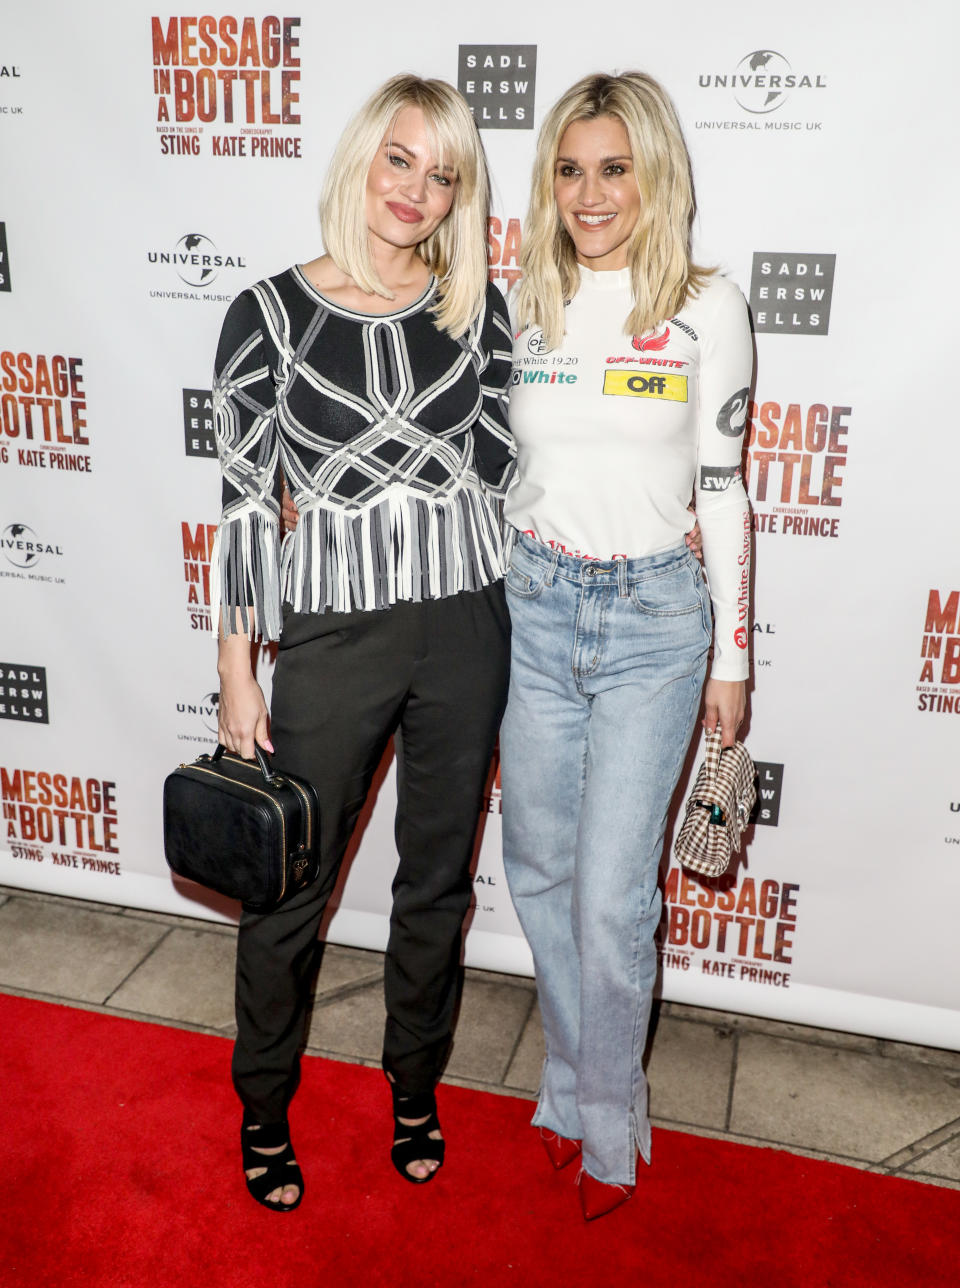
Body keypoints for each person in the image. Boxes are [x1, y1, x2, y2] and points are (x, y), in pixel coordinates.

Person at [211, 74, 515, 1207]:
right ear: (362, 160)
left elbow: (508, 473)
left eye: (443, 175)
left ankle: (416, 1084)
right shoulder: (268, 314)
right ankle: (262, 1103)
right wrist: (238, 671)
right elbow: (245, 504)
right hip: (332, 637)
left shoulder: (476, 309)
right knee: (288, 885)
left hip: (466, 627)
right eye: (401, 160)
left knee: (435, 880)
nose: (417, 190)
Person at [499, 71, 753, 1221]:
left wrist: (734, 662)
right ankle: (565, 1083)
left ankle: (609, 1123)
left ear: (655, 173)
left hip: (654, 621)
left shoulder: (709, 303)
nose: (590, 193)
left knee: (610, 896)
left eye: (614, 167)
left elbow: (729, 493)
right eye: (568, 168)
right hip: (536, 607)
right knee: (541, 872)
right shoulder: (523, 302)